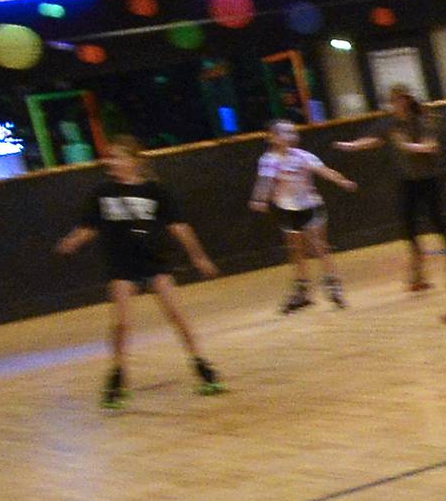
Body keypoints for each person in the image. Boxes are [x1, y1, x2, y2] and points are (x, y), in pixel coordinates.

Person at [53, 135, 222, 410]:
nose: (112, 162)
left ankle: (202, 365)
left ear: (134, 161)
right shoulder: (102, 193)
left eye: (118, 157)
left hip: (154, 262)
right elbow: (88, 226)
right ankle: (118, 376)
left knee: (175, 314)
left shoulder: (155, 191)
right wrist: (71, 241)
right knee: (121, 323)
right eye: (110, 157)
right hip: (122, 266)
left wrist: (199, 257)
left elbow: (179, 226)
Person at [334, 86, 446, 293]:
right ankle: (418, 274)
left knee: (439, 223)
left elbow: (432, 146)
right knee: (409, 227)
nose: (396, 104)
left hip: (428, 179)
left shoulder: (422, 120)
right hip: (407, 182)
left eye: (398, 99)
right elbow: (375, 140)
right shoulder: (390, 124)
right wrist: (353, 145)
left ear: (406, 100)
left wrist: (407, 146)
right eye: (393, 100)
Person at [250, 120, 358, 313]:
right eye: (284, 133)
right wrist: (260, 199)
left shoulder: (302, 156)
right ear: (273, 137)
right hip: (287, 209)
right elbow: (265, 182)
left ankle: (333, 286)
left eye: (291, 132)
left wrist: (343, 181)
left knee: (318, 246)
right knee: (295, 249)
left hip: (311, 207)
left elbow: (325, 171)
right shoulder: (268, 160)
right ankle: (302, 292)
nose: (289, 136)